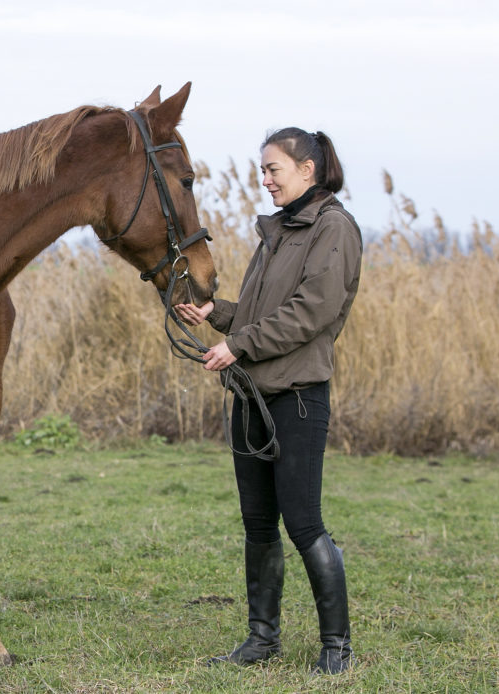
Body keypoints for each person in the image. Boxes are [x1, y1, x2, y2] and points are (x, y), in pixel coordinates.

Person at [175, 127, 362, 675]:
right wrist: (221, 317)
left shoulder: (334, 228)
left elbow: (312, 312)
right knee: (258, 525)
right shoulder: (279, 229)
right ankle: (262, 640)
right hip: (252, 398)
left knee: (304, 524)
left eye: (273, 168)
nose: (265, 179)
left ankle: (337, 649)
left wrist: (239, 344)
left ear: (308, 169)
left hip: (298, 399)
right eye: (262, 169)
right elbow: (265, 309)